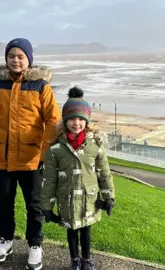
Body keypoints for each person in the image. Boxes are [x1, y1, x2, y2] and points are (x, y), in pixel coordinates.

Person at [0, 38, 61, 270]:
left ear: (28, 60)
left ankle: (35, 245)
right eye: (11, 56)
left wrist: (45, 154)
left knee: (34, 205)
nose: (15, 60)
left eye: (20, 56)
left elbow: (53, 122)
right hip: (0, 157)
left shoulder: (41, 86)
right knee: (3, 203)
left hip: (31, 158)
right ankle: (6, 240)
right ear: (6, 58)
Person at [41, 87, 116, 270]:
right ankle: (74, 259)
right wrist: (47, 207)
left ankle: (86, 259)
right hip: (67, 200)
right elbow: (49, 180)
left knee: (86, 230)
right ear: (65, 121)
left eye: (81, 119)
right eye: (72, 119)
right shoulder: (55, 150)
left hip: (89, 199)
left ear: (87, 121)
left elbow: (104, 173)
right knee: (72, 230)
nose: (76, 123)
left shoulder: (95, 146)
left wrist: (109, 196)